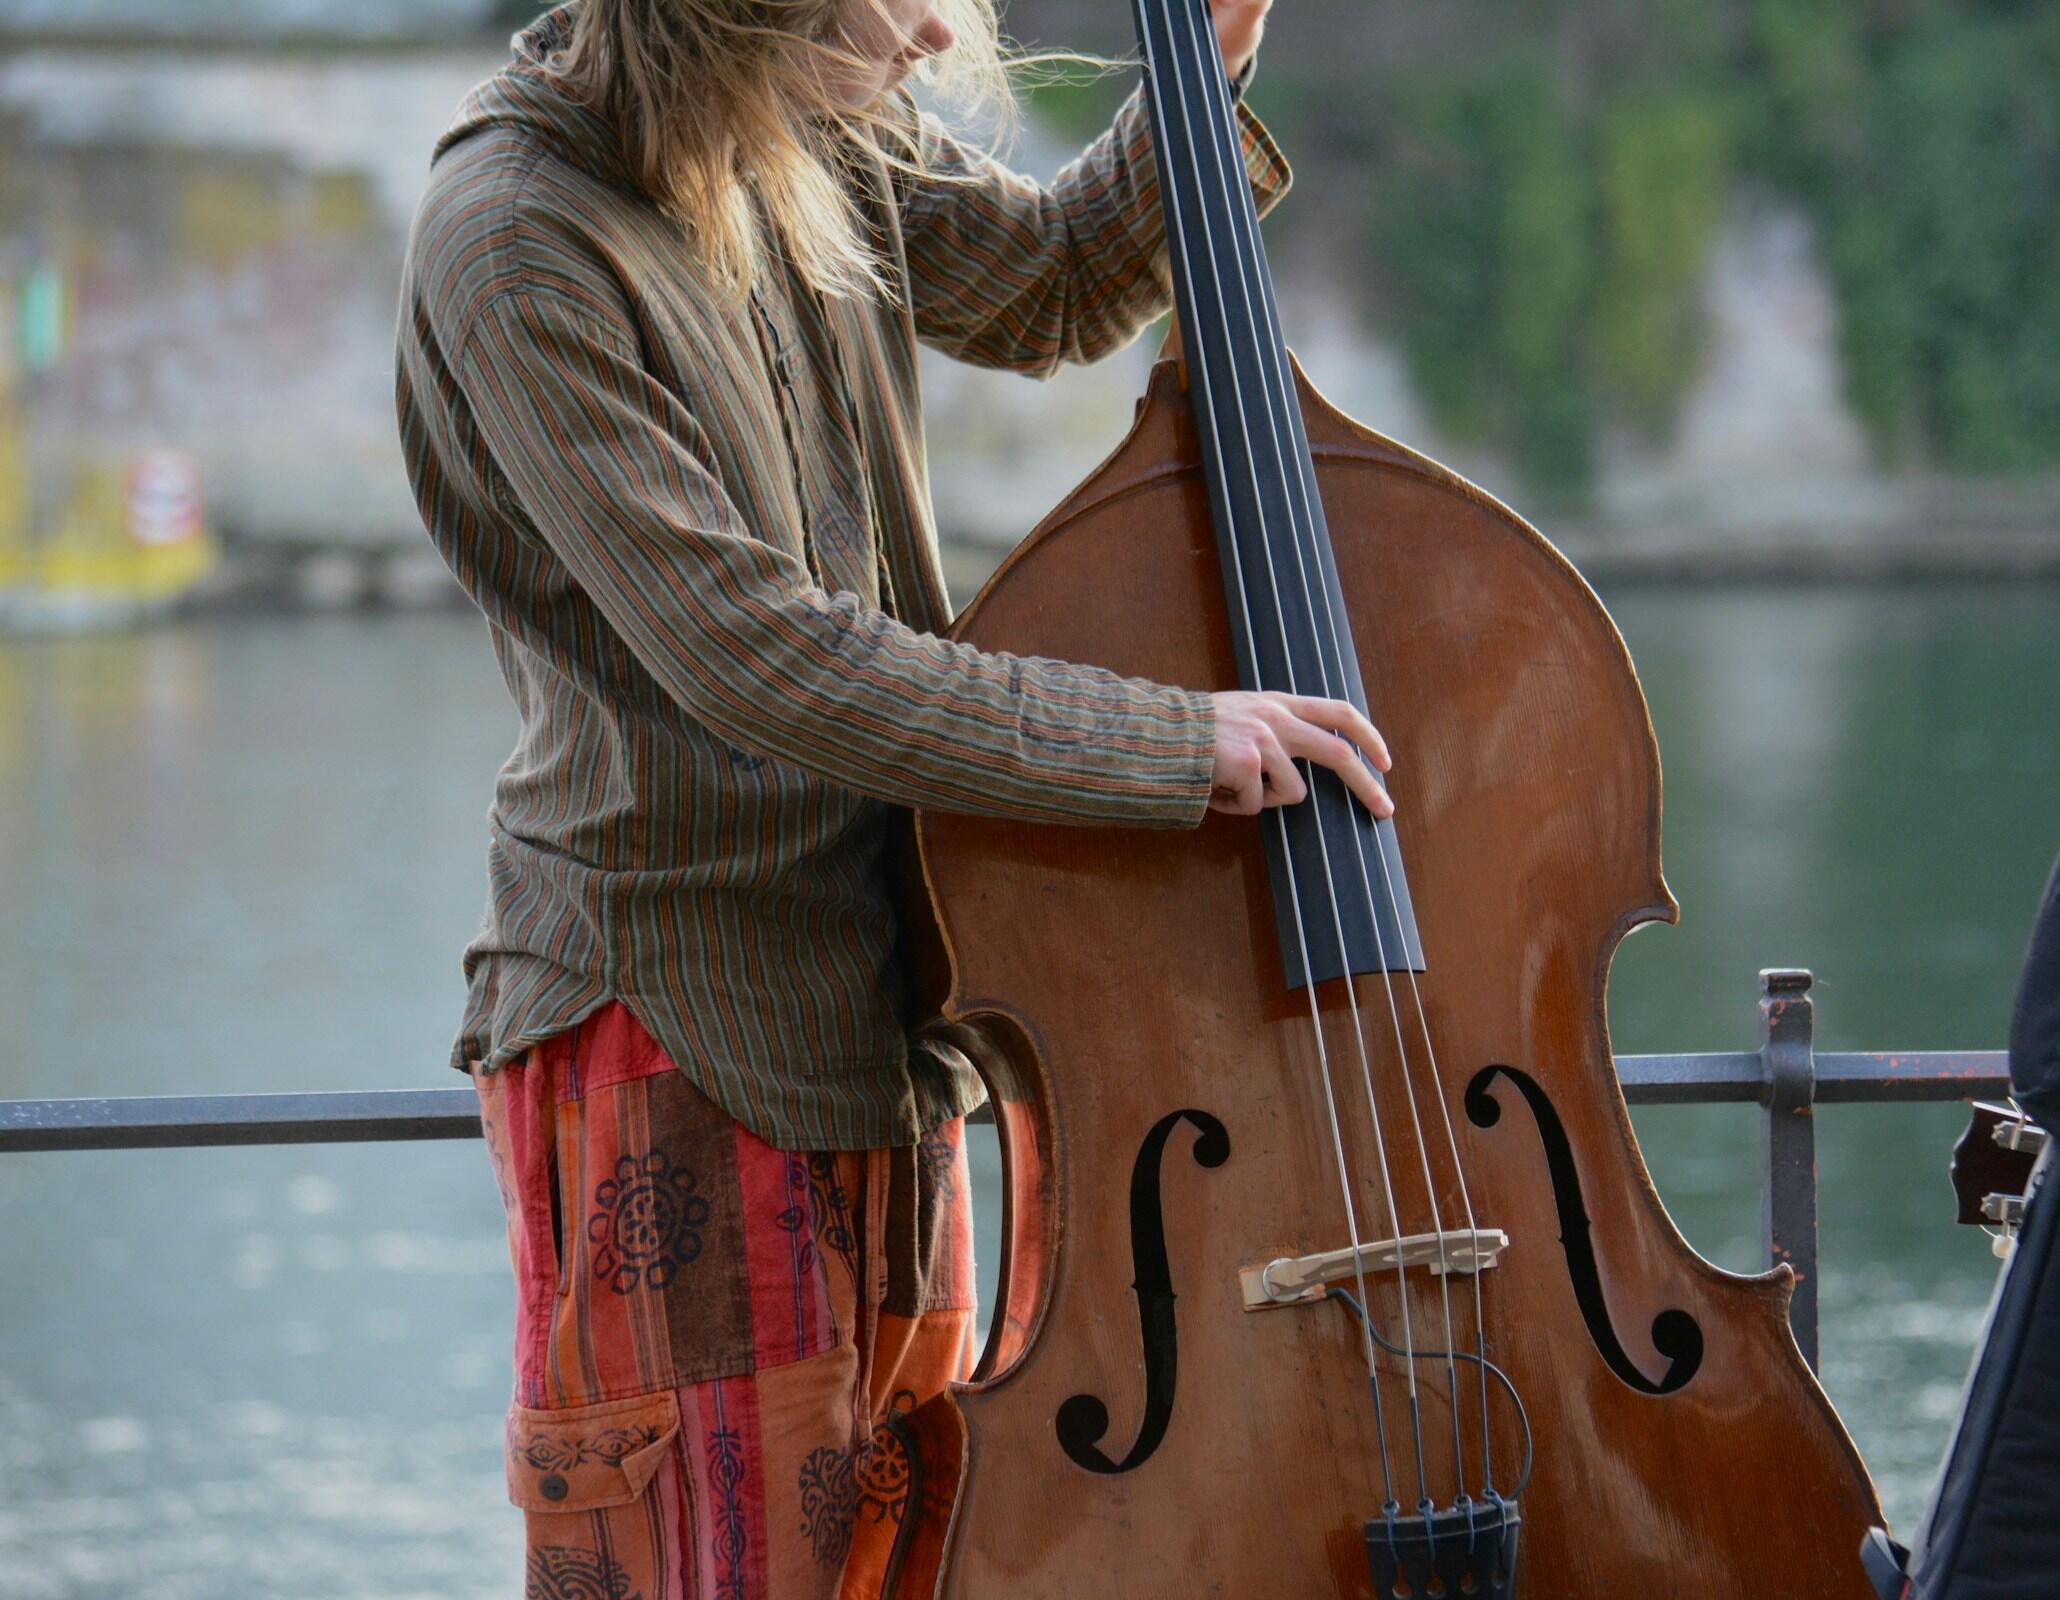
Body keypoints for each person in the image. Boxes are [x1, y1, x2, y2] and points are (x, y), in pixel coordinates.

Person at [394, 1, 1391, 1594]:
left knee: (921, 1560)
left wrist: (1204, 47)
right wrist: (1165, 746)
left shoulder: (804, 105)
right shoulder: (518, 238)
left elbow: (1056, 286)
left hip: (898, 1010)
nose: (937, 30)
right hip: (674, 1019)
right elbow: (756, 660)